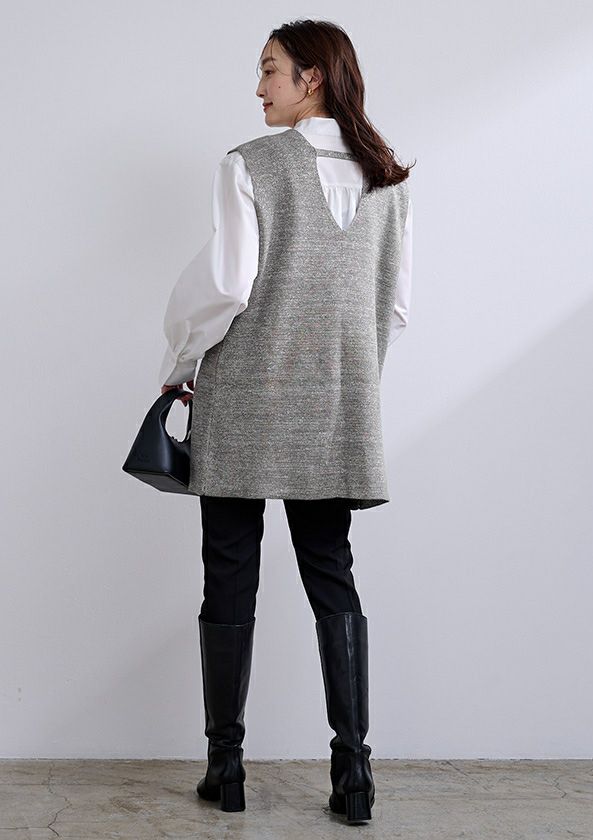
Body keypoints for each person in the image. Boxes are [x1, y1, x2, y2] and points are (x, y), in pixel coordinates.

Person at [158, 19, 414, 824]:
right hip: (337, 409)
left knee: (229, 573)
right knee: (331, 571)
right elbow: (393, 310)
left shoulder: (248, 165)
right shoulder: (389, 180)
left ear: (312, 78)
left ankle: (226, 769)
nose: (259, 87)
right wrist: (346, 386)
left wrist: (179, 363)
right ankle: (354, 774)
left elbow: (225, 288)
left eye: (270, 70)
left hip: (243, 401)